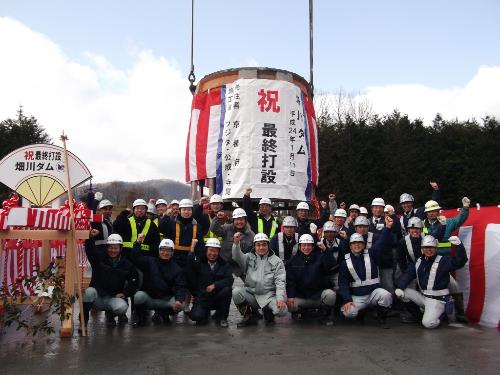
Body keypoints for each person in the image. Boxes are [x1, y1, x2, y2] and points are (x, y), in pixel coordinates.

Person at [395, 235, 468, 329]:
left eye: (431, 247)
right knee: (403, 292)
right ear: (422, 249)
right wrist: (400, 287)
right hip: (424, 297)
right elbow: (407, 275)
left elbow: (460, 261)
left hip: (437, 300)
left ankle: (441, 315)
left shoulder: (443, 260)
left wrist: (459, 246)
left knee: (428, 324)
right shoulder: (418, 261)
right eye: (426, 247)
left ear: (436, 248)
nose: (428, 250)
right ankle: (417, 316)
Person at [338, 216, 394, 328]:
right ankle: (361, 313)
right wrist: (347, 300)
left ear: (364, 245)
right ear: (350, 246)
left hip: (373, 293)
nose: (357, 245)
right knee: (349, 312)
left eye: (359, 243)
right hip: (358, 296)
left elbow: (381, 242)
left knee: (386, 295)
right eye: (354, 243)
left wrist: (387, 228)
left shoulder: (372, 253)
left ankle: (382, 318)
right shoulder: (346, 261)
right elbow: (343, 284)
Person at [422, 197, 471, 323]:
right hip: (428, 262)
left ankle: (460, 313)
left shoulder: (447, 223)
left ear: (439, 211)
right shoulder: (422, 225)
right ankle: (430, 312)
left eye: (434, 210)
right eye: (429, 211)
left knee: (454, 286)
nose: (431, 213)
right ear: (426, 213)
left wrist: (465, 208)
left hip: (443, 262)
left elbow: (460, 219)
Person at [82, 231, 139, 328]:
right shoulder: (99, 259)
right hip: (98, 298)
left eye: (116, 248)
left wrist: (125, 293)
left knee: (122, 307)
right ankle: (83, 321)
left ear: (120, 248)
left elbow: (134, 281)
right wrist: (90, 238)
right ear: (107, 247)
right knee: (89, 292)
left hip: (113, 298)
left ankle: (111, 315)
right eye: (110, 247)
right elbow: (90, 251)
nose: (113, 250)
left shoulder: (127, 264)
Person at [232, 233, 287, 327]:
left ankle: (268, 311)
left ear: (268, 246)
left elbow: (280, 281)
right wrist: (236, 243)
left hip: (269, 296)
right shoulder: (248, 257)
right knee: (236, 292)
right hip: (252, 294)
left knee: (281, 310)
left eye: (264, 244)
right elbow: (237, 256)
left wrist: (280, 298)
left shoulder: (277, 261)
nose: (261, 247)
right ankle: (248, 315)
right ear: (254, 246)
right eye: (258, 245)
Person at [130, 238, 186, 326]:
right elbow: (135, 258)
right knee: (138, 296)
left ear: (172, 252)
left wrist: (179, 300)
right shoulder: (149, 261)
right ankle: (141, 318)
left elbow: (180, 286)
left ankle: (165, 314)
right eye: (163, 250)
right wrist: (137, 243)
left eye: (168, 250)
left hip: (166, 300)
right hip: (150, 298)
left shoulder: (177, 269)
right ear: (159, 250)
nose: (165, 253)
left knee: (181, 305)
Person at [286, 234, 336, 326]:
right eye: (304, 245)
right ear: (300, 246)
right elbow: (290, 281)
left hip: (318, 296)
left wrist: (326, 250)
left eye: (309, 245)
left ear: (313, 246)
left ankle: (325, 316)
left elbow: (331, 265)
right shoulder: (293, 261)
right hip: (301, 297)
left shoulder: (320, 257)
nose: (306, 247)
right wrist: (291, 296)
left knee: (330, 295)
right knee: (288, 302)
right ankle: (301, 313)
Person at [185, 238, 234, 327]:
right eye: (210, 250)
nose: (212, 253)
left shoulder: (224, 264)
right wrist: (192, 248)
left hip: (217, 298)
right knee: (196, 316)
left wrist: (215, 285)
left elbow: (230, 280)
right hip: (202, 298)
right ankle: (205, 313)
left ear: (219, 252)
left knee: (227, 290)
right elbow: (190, 266)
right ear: (206, 250)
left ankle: (222, 317)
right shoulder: (200, 263)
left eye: (215, 251)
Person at [209, 208, 255, 276]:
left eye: (241, 219)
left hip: (239, 269)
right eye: (237, 219)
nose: (239, 222)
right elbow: (214, 229)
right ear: (233, 220)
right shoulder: (227, 228)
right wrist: (217, 218)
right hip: (223, 265)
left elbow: (252, 255)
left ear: (245, 221)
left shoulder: (251, 235)